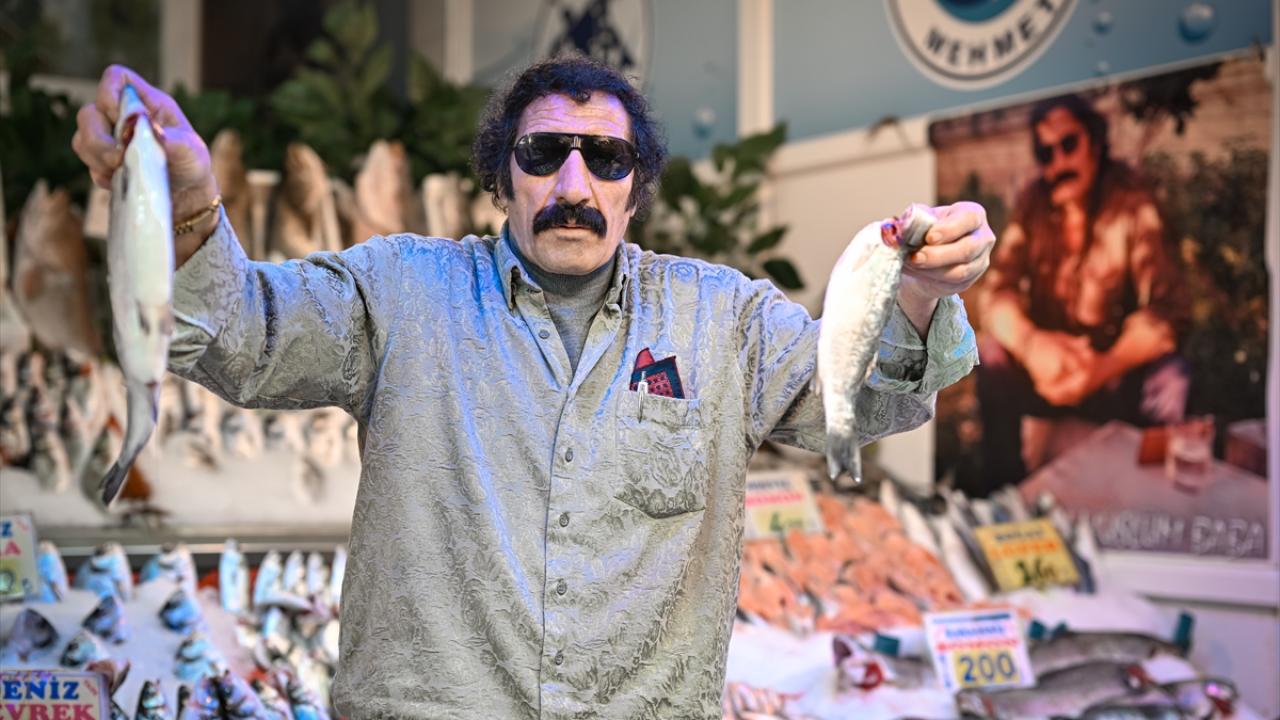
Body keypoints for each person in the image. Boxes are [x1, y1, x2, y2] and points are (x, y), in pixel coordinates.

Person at [73, 57, 993, 718]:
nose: (574, 183)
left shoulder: (726, 321)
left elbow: (863, 401)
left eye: (607, 160)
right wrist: (185, 200)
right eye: (545, 152)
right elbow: (240, 336)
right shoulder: (401, 291)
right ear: (501, 177)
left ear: (637, 189)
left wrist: (919, 291)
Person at [973, 92, 1188, 496]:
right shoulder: (1034, 201)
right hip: (1049, 370)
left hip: (1111, 372)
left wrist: (1100, 369)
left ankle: (1151, 498)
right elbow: (996, 293)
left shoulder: (1132, 202)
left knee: (1171, 377)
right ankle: (1005, 497)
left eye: (1068, 145)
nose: (1058, 164)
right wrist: (1032, 345)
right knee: (991, 353)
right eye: (1045, 153)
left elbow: (1168, 313)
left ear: (1095, 142)